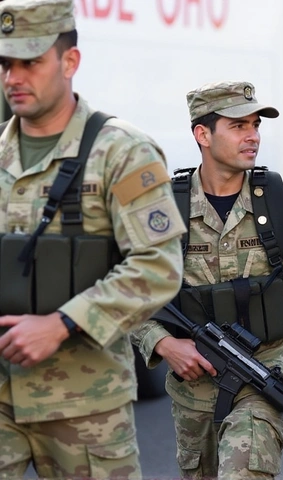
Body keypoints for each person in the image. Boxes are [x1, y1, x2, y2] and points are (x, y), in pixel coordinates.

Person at [132, 80, 283, 480]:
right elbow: (129, 291)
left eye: (255, 125)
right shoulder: (164, 208)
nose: (252, 136)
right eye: (238, 126)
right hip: (193, 391)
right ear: (202, 135)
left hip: (263, 378)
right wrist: (163, 343)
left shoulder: (282, 203)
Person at [0, 0, 186, 478]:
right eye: (5, 63)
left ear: (69, 61)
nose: (13, 77)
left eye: (30, 61)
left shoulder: (121, 152)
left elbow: (157, 266)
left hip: (86, 407)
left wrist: (61, 323)